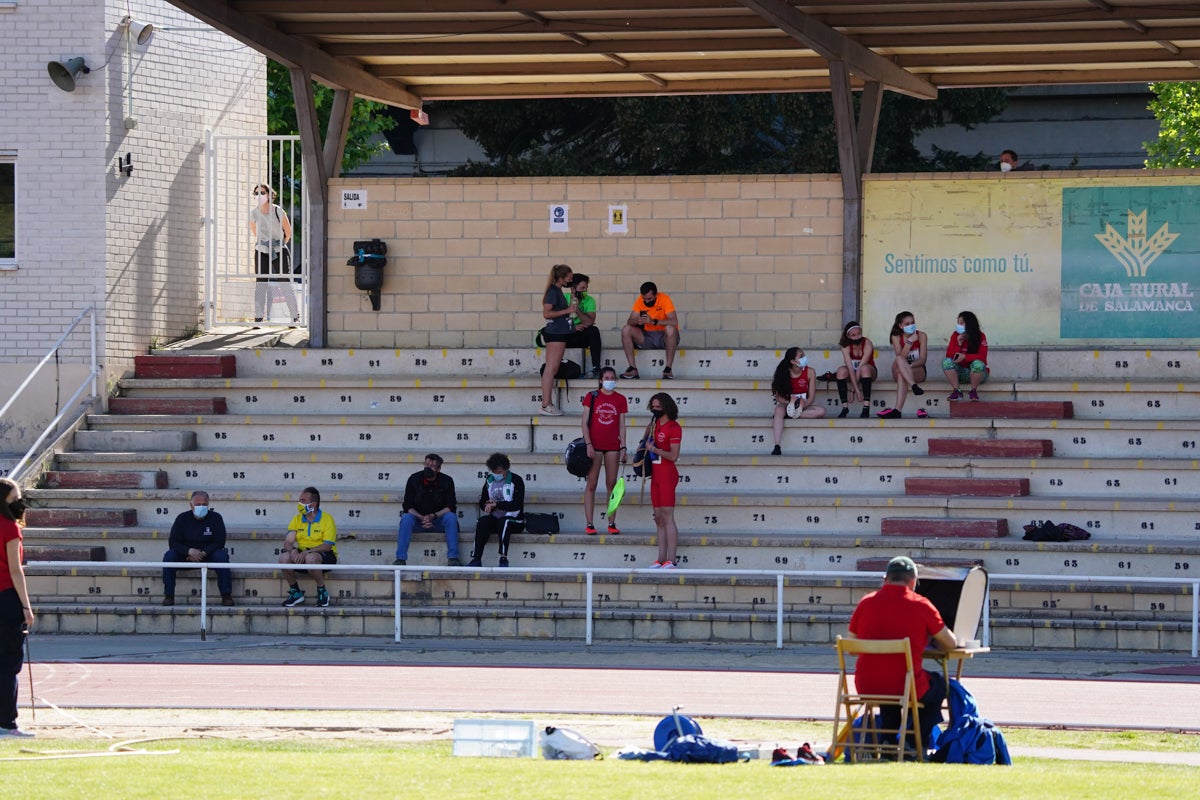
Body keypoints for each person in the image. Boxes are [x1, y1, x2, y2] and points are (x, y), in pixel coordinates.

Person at [848, 556, 959, 752]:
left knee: (889, 685)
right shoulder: (921, 604)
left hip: (867, 684)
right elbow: (951, 643)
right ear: (913, 581)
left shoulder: (866, 603)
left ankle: (889, 741)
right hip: (906, 684)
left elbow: (850, 646)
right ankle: (915, 741)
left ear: (886, 579)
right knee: (939, 685)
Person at [0, 478, 35, 738]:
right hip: (6, 598)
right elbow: (15, 570)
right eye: (16, 496)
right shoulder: (10, 528)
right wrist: (26, 606)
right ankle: (7, 722)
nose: (19, 501)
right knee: (9, 662)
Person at [161, 490, 234, 607]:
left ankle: (226, 595)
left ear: (208, 504)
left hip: (208, 554)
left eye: (204, 504)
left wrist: (204, 553)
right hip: (187, 555)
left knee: (222, 556)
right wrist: (189, 551)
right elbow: (173, 542)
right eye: (198, 504)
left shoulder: (216, 518)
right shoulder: (182, 518)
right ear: (191, 505)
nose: (201, 507)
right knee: (169, 556)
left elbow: (220, 541)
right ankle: (169, 596)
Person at [580, 367, 628, 535]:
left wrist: (623, 446)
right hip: (595, 445)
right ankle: (590, 523)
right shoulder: (591, 396)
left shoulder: (620, 399)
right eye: (606, 377)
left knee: (612, 484)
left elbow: (622, 425)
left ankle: (611, 522)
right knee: (591, 483)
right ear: (601, 380)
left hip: (613, 446)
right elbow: (584, 422)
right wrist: (588, 444)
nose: (609, 380)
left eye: (612, 377)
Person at [394, 453, 461, 567]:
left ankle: (453, 558)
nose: (428, 468)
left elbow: (451, 506)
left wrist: (433, 516)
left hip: (438, 521)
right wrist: (422, 518)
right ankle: (400, 559)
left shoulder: (447, 481)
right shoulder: (414, 479)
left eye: (432, 466)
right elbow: (407, 506)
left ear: (439, 469)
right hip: (418, 521)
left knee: (451, 517)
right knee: (406, 518)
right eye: (426, 464)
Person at [248, 183, 299, 324]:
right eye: (256, 193)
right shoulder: (254, 213)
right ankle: (258, 318)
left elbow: (287, 232)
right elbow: (254, 230)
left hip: (278, 249)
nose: (259, 196)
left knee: (284, 282)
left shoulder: (278, 211)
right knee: (261, 283)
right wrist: (263, 242)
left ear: (269, 195)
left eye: (262, 193)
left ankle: (295, 316)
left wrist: (279, 244)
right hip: (261, 250)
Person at [279, 486, 337, 607]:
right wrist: (293, 550)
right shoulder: (297, 519)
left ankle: (322, 591)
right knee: (284, 558)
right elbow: (288, 542)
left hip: (324, 555)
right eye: (300, 500)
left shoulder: (327, 519)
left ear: (313, 504)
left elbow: (327, 546)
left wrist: (307, 552)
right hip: (302, 554)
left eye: (303, 501)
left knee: (311, 558)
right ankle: (295, 592)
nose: (299, 503)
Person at [643, 392, 682, 569]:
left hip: (667, 474)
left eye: (658, 407)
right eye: (653, 406)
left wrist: (655, 449)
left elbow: (674, 456)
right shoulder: (653, 424)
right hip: (656, 475)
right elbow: (645, 441)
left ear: (666, 407)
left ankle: (671, 560)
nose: (655, 410)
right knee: (658, 517)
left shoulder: (674, 427)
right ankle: (660, 558)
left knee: (667, 515)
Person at [469, 453, 525, 568]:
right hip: (495, 518)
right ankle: (476, 558)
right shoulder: (489, 481)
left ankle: (503, 558)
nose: (496, 474)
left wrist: (498, 504)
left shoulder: (516, 480)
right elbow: (483, 501)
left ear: (506, 469)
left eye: (499, 472)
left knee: (504, 522)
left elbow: (517, 505)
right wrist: (487, 505)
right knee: (482, 522)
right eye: (494, 472)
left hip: (514, 520)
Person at [770, 346, 826, 455]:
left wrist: (800, 407)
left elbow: (811, 398)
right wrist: (790, 403)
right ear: (793, 361)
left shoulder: (810, 372)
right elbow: (778, 396)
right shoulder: (783, 371)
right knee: (778, 411)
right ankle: (777, 445)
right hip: (787, 404)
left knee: (821, 411)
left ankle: (792, 415)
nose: (804, 358)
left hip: (803, 405)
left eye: (804, 355)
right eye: (801, 356)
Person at [539, 264, 578, 416]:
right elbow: (547, 313)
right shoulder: (553, 291)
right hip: (555, 333)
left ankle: (547, 403)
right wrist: (567, 310)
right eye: (569, 276)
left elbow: (568, 309)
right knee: (551, 368)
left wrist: (573, 296)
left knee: (553, 368)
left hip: (560, 332)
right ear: (561, 277)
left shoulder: (559, 291)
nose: (571, 279)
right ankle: (545, 404)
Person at [620, 281, 680, 380]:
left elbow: (674, 321)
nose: (647, 301)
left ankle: (668, 369)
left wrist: (653, 322)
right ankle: (632, 369)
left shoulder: (664, 299)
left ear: (656, 295)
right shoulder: (640, 301)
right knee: (626, 329)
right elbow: (630, 321)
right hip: (647, 337)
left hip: (664, 337)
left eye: (649, 299)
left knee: (670, 328)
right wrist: (638, 321)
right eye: (644, 299)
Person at [877, 311, 930, 420]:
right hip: (898, 367)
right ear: (900, 326)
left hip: (917, 369)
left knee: (902, 373)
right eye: (907, 324)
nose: (911, 325)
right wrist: (909, 342)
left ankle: (897, 410)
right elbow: (901, 356)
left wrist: (908, 366)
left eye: (913, 322)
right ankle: (913, 386)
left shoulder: (922, 336)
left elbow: (922, 360)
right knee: (899, 359)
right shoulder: (896, 337)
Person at [942, 310, 989, 401]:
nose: (959, 325)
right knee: (946, 362)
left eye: (961, 323)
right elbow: (949, 356)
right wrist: (959, 345)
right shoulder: (955, 335)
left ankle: (973, 391)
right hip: (960, 374)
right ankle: (957, 391)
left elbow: (983, 357)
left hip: (979, 374)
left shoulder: (980, 336)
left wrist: (965, 357)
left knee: (978, 363)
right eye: (958, 323)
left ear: (969, 324)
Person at [564, 273, 603, 377]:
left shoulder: (589, 300)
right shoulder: (563, 298)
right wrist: (573, 327)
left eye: (586, 288)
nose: (584, 291)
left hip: (580, 334)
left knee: (594, 330)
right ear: (573, 288)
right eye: (582, 288)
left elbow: (589, 321)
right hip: (566, 334)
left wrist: (577, 310)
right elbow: (557, 321)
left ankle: (596, 367)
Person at [835, 321, 876, 418]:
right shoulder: (845, 345)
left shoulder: (867, 343)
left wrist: (853, 390)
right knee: (841, 371)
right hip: (852, 372)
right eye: (853, 335)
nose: (857, 337)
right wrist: (857, 390)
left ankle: (866, 407)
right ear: (848, 336)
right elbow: (850, 368)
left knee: (864, 368)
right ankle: (845, 408)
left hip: (868, 372)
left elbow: (860, 368)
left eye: (859, 334)